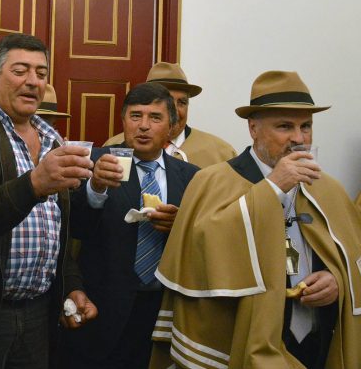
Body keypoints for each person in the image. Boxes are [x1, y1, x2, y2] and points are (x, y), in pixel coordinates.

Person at [150, 71, 361, 368]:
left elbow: (353, 257)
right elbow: (200, 252)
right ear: (253, 128)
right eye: (284, 126)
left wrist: (337, 280)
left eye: (306, 126)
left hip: (318, 341)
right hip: (236, 338)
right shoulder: (212, 181)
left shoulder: (329, 189)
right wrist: (272, 187)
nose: (298, 138)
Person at [0, 34, 96, 369]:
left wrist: (70, 286)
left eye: (41, 73)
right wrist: (34, 184)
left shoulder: (53, 139)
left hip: (39, 314)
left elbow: (59, 230)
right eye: (20, 70)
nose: (33, 81)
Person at [60, 82, 199, 368]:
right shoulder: (95, 162)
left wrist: (180, 225)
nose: (144, 126)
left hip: (164, 308)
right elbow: (75, 228)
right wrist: (96, 188)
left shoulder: (190, 176)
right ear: (123, 121)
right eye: (136, 116)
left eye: (155, 117)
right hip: (102, 308)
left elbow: (202, 244)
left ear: (172, 127)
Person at [104, 62, 236, 168]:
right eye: (168, 103)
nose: (175, 112)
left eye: (182, 102)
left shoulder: (220, 153)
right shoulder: (115, 148)